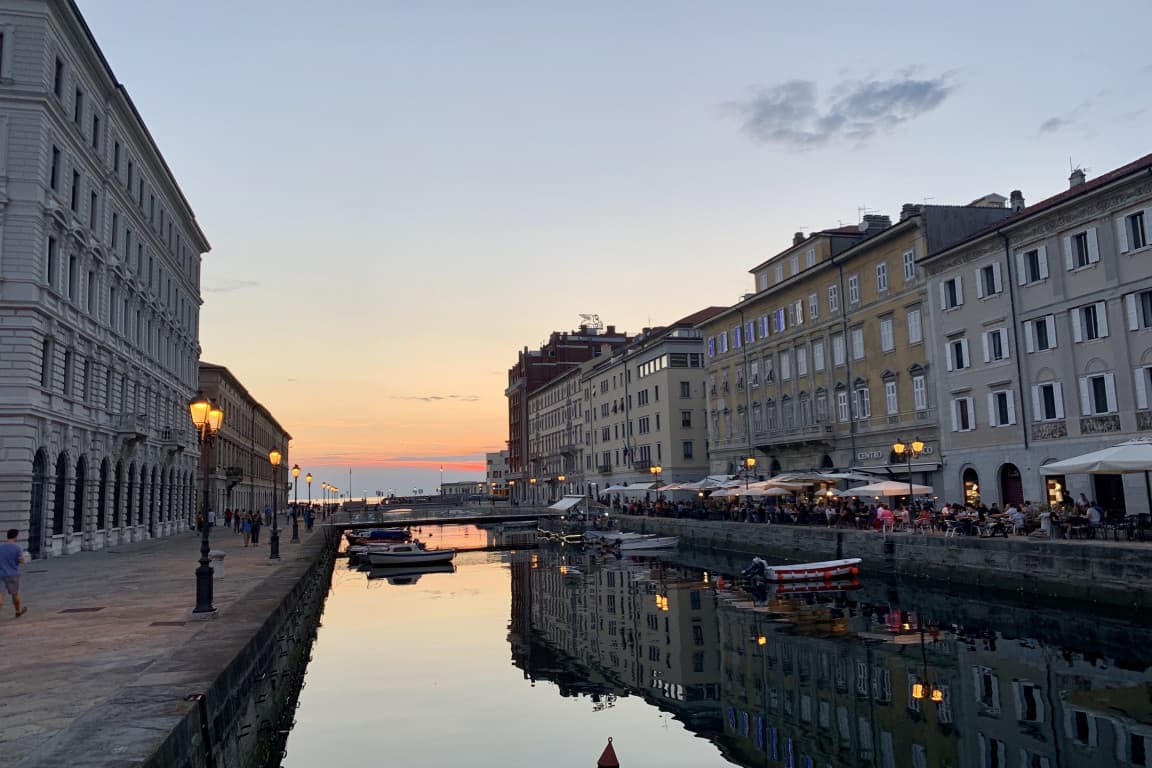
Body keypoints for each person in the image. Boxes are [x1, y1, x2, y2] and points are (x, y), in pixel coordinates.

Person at [1, 528, 28, 618]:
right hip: (13, 574)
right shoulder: (17, 548)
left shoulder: (1, 547)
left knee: (0, 594)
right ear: (15, 536)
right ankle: (17, 611)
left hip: (1, 574)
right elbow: (21, 561)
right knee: (15, 594)